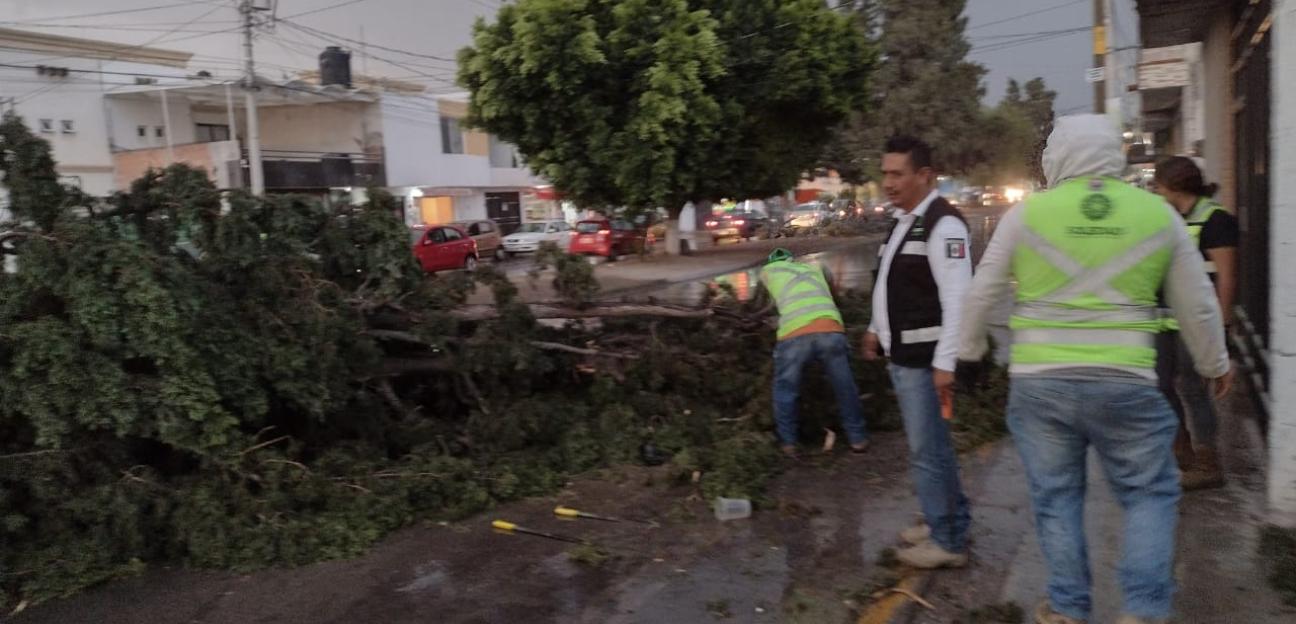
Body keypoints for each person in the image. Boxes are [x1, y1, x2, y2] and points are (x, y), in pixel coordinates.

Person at [958, 115, 1232, 624]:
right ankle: (1142, 612)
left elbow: (981, 292)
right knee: (1149, 492)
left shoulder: (1026, 216)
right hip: (1124, 379)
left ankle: (1067, 608)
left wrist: (968, 355)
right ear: (1114, 155)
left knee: (1057, 497)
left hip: (1041, 385)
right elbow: (1196, 304)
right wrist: (1215, 362)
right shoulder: (1158, 214)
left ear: (1053, 158)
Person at [863, 135, 973, 569]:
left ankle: (948, 541)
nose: (888, 182)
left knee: (927, 452)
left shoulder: (944, 225)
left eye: (897, 174)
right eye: (885, 173)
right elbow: (890, 282)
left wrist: (945, 365)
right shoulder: (903, 220)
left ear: (925, 176)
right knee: (934, 449)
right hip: (904, 357)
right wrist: (875, 329)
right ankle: (944, 519)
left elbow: (958, 300)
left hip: (926, 364)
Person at [1152, 156, 1238, 490]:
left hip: (1196, 322)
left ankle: (1207, 459)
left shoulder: (1215, 220)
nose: (1156, 192)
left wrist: (1221, 330)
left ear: (1173, 186)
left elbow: (1226, 280)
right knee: (1160, 386)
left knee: (1192, 388)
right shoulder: (1166, 217)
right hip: (1163, 320)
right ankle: (1181, 447)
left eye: (1159, 185)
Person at [758, 247, 869, 457]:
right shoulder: (815, 267)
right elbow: (835, 295)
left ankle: (788, 443)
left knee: (785, 389)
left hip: (794, 334)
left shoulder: (768, 272)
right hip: (831, 329)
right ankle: (858, 438)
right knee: (845, 386)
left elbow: (765, 307)